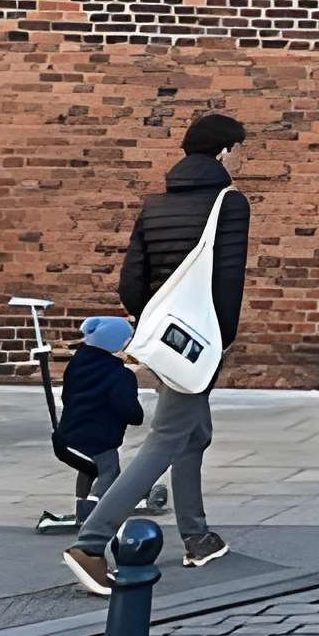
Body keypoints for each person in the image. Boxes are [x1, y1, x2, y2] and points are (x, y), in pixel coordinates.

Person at [64, 114, 250, 591]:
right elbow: (228, 282)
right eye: (239, 148)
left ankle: (197, 538)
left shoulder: (155, 204)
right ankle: (90, 543)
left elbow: (131, 282)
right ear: (225, 151)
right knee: (168, 437)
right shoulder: (230, 203)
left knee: (194, 433)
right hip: (200, 342)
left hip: (165, 337)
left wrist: (158, 329)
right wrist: (215, 344)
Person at [42, 315, 146, 530]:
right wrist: (137, 413)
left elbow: (67, 397)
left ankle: (81, 506)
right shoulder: (119, 375)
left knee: (89, 468)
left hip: (65, 439)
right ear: (117, 344)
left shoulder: (77, 364)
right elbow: (130, 411)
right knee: (109, 471)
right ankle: (92, 510)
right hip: (99, 440)